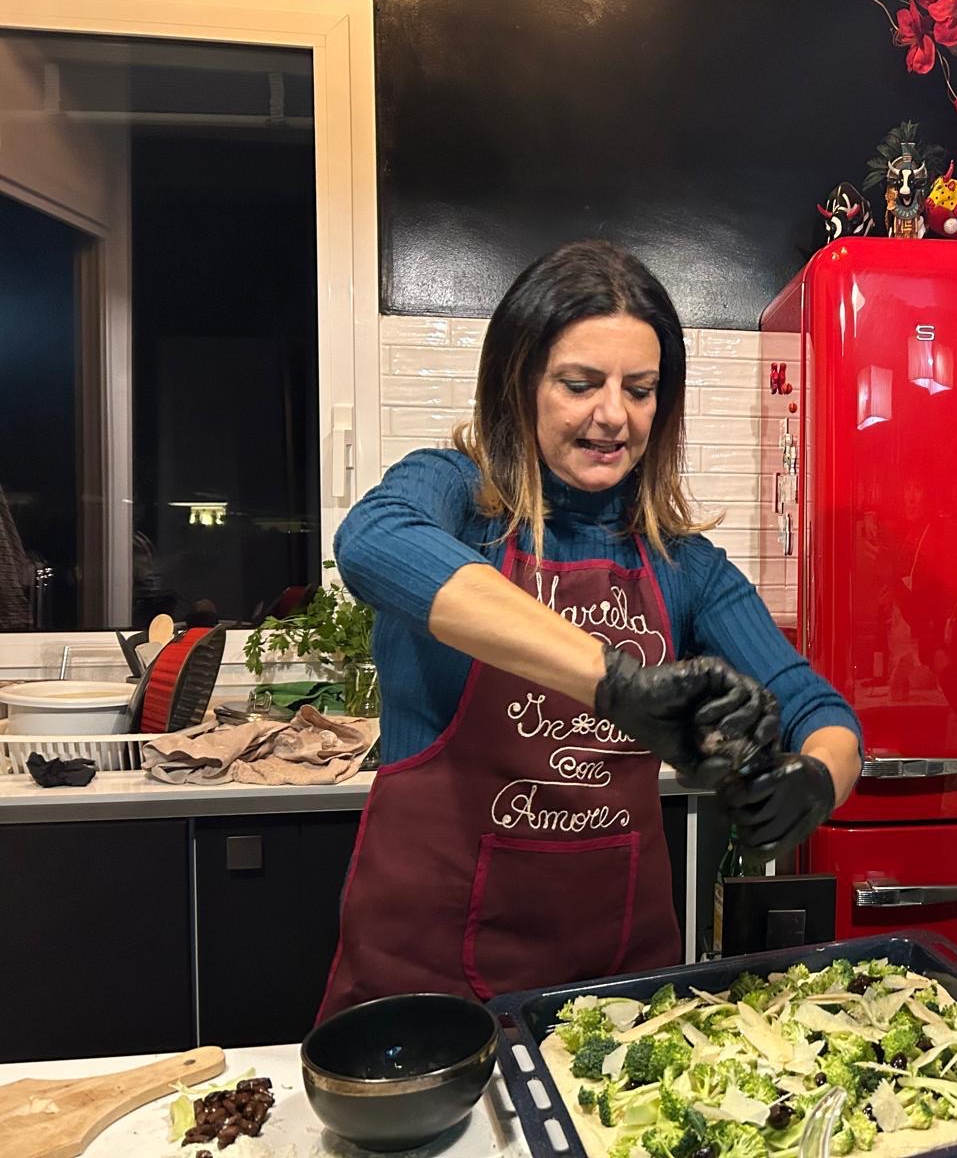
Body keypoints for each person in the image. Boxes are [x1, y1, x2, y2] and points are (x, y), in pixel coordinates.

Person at [318, 241, 862, 1018]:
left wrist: (814, 780)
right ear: (520, 385)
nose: (613, 415)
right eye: (580, 384)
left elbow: (820, 712)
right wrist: (615, 684)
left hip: (617, 983)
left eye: (640, 390)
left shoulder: (684, 565)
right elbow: (374, 541)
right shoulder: (456, 498)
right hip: (427, 980)